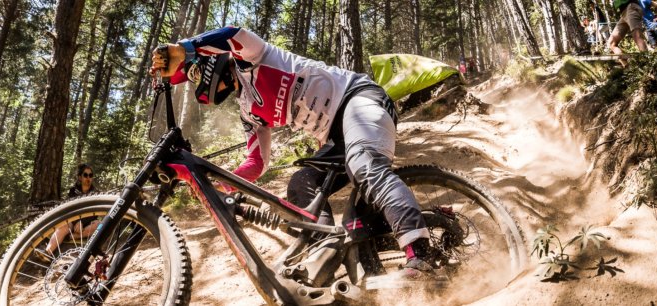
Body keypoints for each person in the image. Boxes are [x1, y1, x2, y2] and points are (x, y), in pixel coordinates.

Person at [150, 26, 438, 278]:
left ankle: (421, 255)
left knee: (364, 165)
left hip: (357, 98)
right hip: (334, 139)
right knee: (301, 184)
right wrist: (216, 184)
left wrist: (184, 48)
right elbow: (256, 161)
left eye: (196, 71)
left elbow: (233, 33)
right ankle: (325, 257)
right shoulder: (248, 111)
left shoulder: (253, 56)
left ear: (211, 60)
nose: (196, 80)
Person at [44, 164, 100, 255]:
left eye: (90, 175)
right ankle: (47, 252)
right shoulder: (73, 191)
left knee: (99, 225)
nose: (88, 178)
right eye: (85, 175)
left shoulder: (96, 193)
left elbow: (95, 212)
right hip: (72, 222)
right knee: (63, 226)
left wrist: (82, 221)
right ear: (80, 177)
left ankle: (72, 237)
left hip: (88, 224)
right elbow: (68, 209)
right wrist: (77, 221)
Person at [608, 0, 649, 65]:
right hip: (623, 14)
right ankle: (626, 65)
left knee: (637, 36)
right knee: (611, 43)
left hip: (631, 8)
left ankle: (648, 65)